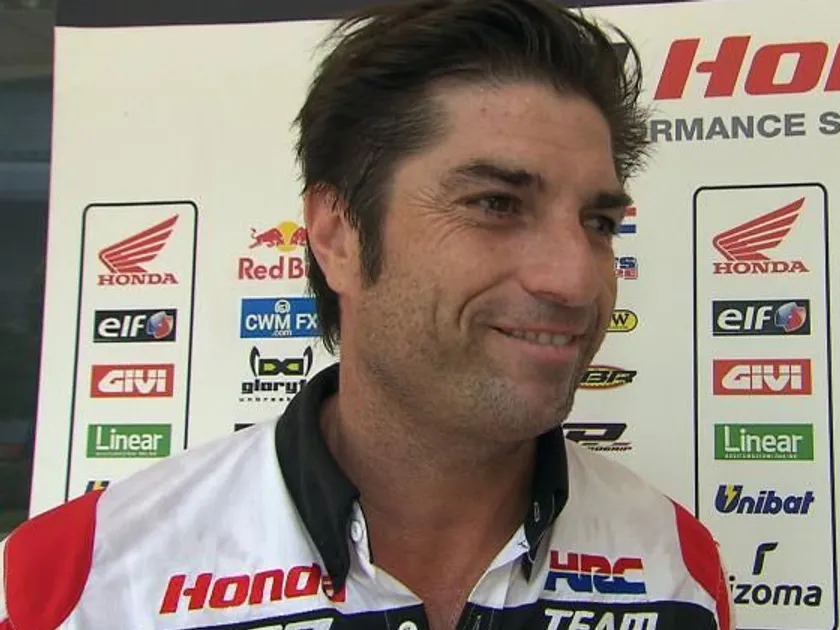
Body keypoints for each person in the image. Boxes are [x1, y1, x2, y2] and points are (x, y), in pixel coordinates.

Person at [0, 1, 734, 628]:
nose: (574, 279)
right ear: (337, 236)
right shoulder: (80, 579)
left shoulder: (675, 566)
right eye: (496, 204)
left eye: (599, 223)